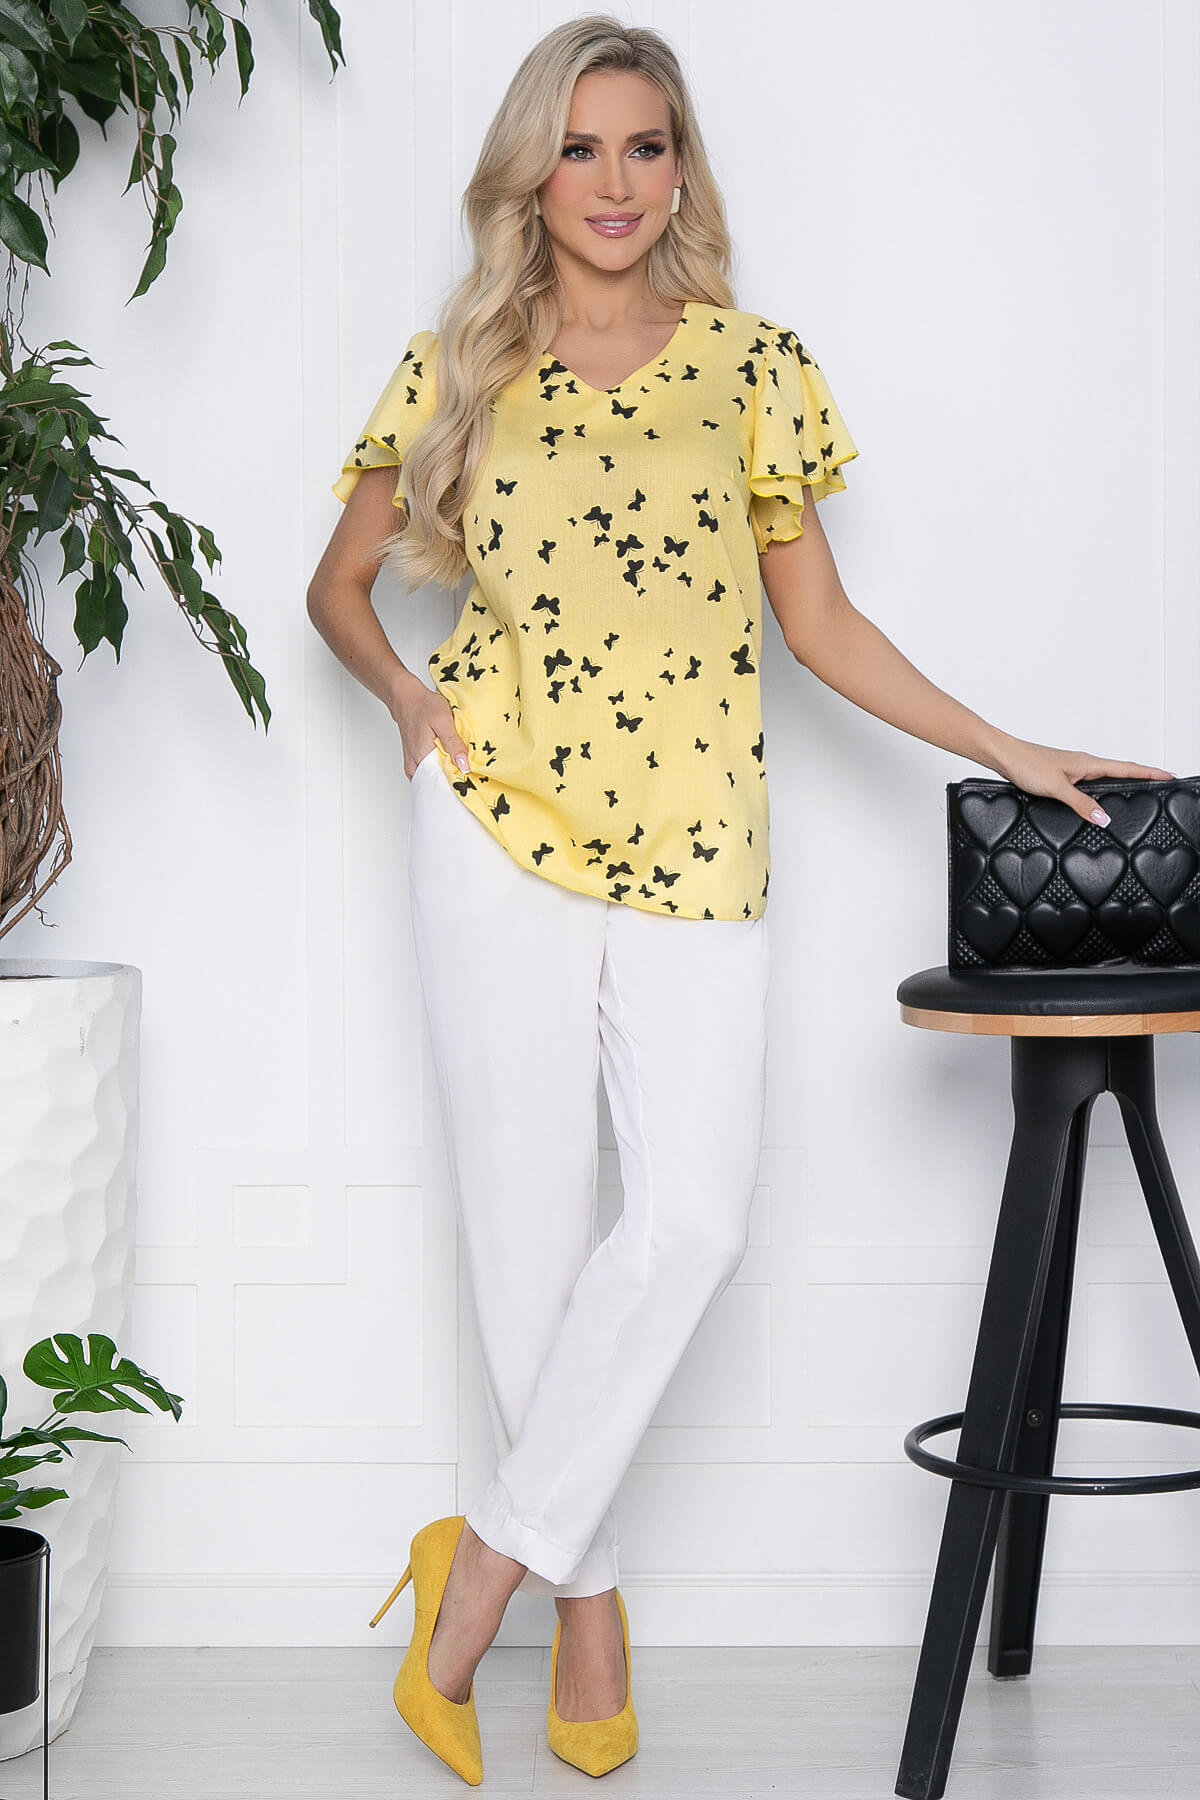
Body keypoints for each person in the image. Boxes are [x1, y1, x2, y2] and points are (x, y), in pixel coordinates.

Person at [306, 14, 1172, 1787]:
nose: (615, 181)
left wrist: (1012, 746)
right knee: (527, 1247)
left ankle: (479, 1575)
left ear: (682, 168)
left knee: (689, 1220)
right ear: (530, 173)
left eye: (647, 146)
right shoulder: (459, 365)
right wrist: (406, 701)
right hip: (491, 820)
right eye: (581, 147)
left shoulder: (755, 367)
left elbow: (821, 623)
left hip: (700, 839)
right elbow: (337, 586)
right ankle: (592, 1609)